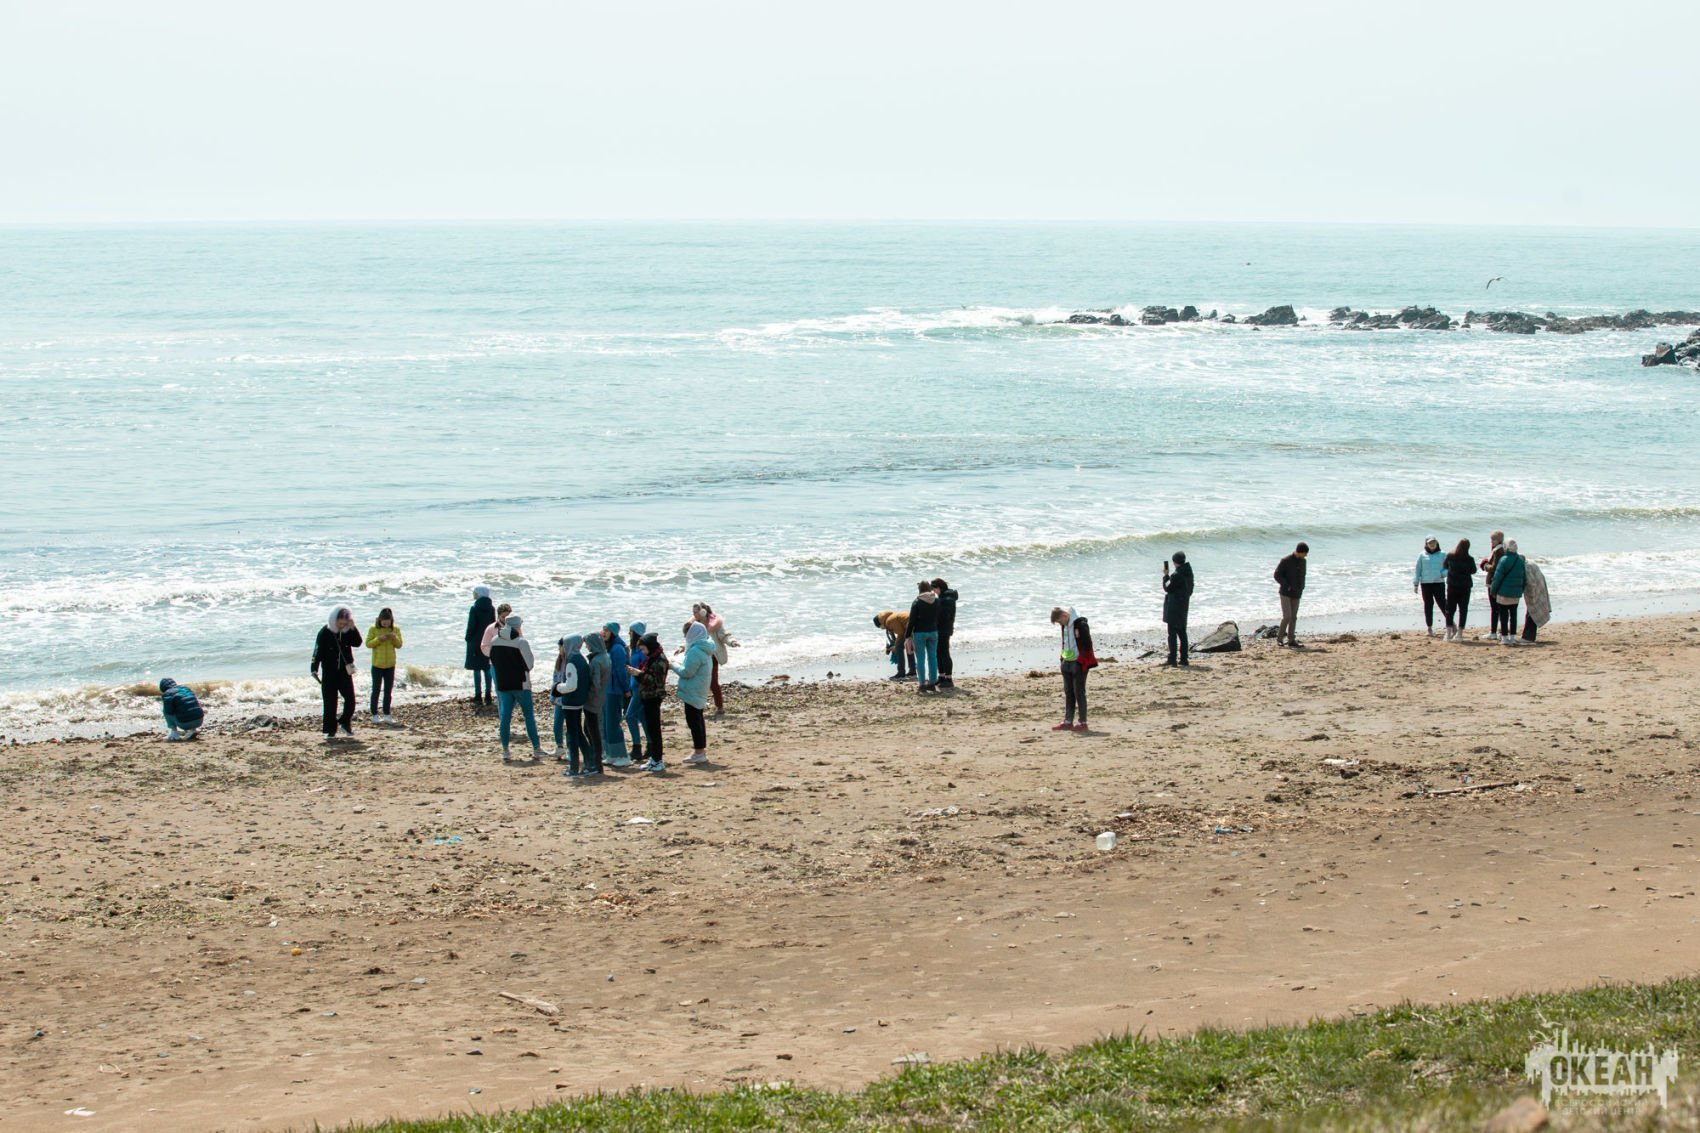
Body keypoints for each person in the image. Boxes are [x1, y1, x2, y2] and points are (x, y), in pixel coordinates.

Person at [489, 615, 543, 761]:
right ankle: (536, 748)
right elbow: (529, 664)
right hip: (521, 684)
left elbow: (492, 660)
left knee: (505, 717)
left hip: (503, 684)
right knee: (528, 716)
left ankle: (505, 750)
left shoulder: (495, 640)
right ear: (518, 626)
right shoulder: (521, 642)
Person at [311, 606, 363, 742]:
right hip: (329, 672)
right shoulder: (325, 631)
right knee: (330, 702)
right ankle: (330, 730)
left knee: (351, 700)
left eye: (344, 623)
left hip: (344, 672)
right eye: (340, 623)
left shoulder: (348, 631)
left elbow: (358, 643)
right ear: (334, 619)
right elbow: (317, 650)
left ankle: (345, 722)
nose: (342, 625)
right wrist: (314, 668)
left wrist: (353, 628)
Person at [671, 621, 717, 768]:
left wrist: (672, 664)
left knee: (694, 721)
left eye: (686, 634)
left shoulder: (695, 650)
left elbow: (686, 672)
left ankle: (699, 752)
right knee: (698, 720)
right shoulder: (705, 646)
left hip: (693, 690)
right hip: (700, 688)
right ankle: (700, 751)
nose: (685, 637)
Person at [551, 635, 591, 774]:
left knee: (573, 735)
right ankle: (590, 763)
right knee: (578, 733)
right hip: (579, 700)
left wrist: (557, 687)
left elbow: (571, 685)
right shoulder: (581, 659)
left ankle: (574, 767)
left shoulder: (571, 662)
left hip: (571, 702)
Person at [1050, 607, 1090, 731]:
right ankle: (1068, 721)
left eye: (1059, 621)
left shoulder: (1081, 624)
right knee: (1069, 692)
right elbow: (1065, 641)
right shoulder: (1065, 625)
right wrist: (1062, 658)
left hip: (1078, 663)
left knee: (1079, 692)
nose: (1060, 624)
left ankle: (1083, 722)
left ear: (1064, 615)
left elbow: (1088, 644)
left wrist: (1081, 660)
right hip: (1066, 661)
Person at [636, 631, 671, 767]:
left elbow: (656, 681)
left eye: (644, 649)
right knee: (651, 729)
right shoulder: (652, 657)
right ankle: (654, 758)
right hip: (648, 697)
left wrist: (638, 674)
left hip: (654, 697)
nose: (643, 652)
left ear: (650, 646)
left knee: (654, 730)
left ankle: (657, 760)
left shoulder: (660, 659)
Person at [600, 622, 631, 766]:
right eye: (603, 630)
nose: (604, 633)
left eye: (607, 630)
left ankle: (622, 756)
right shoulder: (609, 647)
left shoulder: (617, 648)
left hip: (615, 691)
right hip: (607, 690)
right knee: (607, 724)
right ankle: (611, 754)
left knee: (613, 723)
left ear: (613, 632)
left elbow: (621, 671)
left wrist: (626, 689)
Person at [580, 630, 610, 777]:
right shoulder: (606, 657)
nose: (587, 647)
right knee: (590, 728)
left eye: (587, 644)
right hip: (601, 697)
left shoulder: (596, 661)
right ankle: (596, 760)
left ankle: (596, 762)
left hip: (593, 699)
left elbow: (595, 683)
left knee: (591, 730)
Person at [693, 603, 733, 714]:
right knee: (699, 681)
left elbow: (724, 636)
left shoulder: (715, 623)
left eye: (696, 612)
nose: (694, 614)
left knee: (713, 682)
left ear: (703, 612)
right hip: (699, 656)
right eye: (693, 612)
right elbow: (690, 639)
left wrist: (732, 642)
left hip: (712, 656)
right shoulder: (695, 626)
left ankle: (720, 706)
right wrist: (682, 648)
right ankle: (699, 705)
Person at [366, 608, 403, 724]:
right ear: (380, 620)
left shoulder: (395, 629)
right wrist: (378, 639)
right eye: (383, 622)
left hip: (390, 664)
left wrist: (394, 638)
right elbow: (368, 643)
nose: (385, 624)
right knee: (376, 690)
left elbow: (399, 645)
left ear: (391, 620)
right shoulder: (373, 629)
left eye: (387, 622)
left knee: (388, 690)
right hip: (377, 664)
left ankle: (387, 714)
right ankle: (374, 714)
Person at [1489, 539, 1527, 647]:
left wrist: (1493, 590)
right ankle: (1513, 637)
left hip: (1503, 593)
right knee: (1513, 615)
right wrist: (1520, 590)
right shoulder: (1520, 560)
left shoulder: (1503, 560)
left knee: (1504, 616)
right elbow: (1524, 578)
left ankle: (1504, 637)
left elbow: (1497, 577)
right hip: (1515, 594)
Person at [464, 586, 497, 705]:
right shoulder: (491, 608)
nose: (473, 594)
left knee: (476, 669)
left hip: (475, 641)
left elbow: (471, 625)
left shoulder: (474, 608)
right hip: (488, 640)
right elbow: (493, 624)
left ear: (479, 594)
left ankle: (478, 695)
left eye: (475, 592)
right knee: (487, 667)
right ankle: (488, 695)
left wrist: (468, 638)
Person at [1273, 542, 1309, 648]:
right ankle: (1279, 639)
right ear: (1300, 552)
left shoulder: (1303, 561)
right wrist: (1286, 585)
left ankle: (1291, 640)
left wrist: (1302, 587)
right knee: (1287, 616)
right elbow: (1277, 575)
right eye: (1305, 553)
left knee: (1294, 617)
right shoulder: (1286, 560)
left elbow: (1303, 576)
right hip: (1285, 592)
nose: (1306, 555)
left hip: (1297, 592)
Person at [908, 581, 942, 693]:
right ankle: (932, 683)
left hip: (919, 633)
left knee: (920, 659)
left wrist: (907, 635)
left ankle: (922, 684)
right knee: (933, 657)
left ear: (920, 589)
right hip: (933, 632)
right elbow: (939, 616)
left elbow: (912, 620)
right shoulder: (936, 600)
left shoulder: (917, 601)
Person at [623, 623, 649, 761]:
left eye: (630, 632)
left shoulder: (642, 651)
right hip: (634, 687)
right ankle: (649, 745)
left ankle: (637, 746)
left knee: (629, 716)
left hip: (640, 688)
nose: (629, 634)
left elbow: (644, 669)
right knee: (642, 717)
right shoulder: (634, 649)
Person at [1163, 552, 1194, 666]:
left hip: (1174, 606)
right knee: (1182, 633)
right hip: (1184, 605)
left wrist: (1166, 575)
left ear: (1174, 562)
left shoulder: (1176, 575)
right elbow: (1190, 589)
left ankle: (1172, 659)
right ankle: (1184, 659)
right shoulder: (1189, 573)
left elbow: (1167, 587)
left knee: (1172, 634)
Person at [1413, 537, 1448, 637]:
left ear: (1437, 543)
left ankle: (1450, 624)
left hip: (1438, 583)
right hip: (1426, 584)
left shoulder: (1442, 554)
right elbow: (1418, 570)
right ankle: (1429, 628)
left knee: (1443, 603)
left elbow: (1447, 567)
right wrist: (1416, 583)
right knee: (1428, 605)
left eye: (1434, 543)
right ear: (1426, 544)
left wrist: (1443, 574)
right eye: (1430, 543)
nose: (1432, 545)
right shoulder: (1422, 555)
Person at [1443, 538, 1476, 642]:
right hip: (1465, 586)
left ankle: (1448, 633)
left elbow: (1444, 566)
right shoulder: (1469, 559)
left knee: (1450, 609)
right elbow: (1473, 570)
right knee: (1463, 609)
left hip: (1452, 585)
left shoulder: (1450, 556)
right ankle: (1460, 634)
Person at [1479, 532, 1508, 641]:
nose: (1491, 542)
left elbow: (1495, 568)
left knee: (1495, 608)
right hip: (1498, 582)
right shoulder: (1502, 550)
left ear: (1498, 540)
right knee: (1499, 608)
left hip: (1493, 582)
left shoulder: (1498, 551)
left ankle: (1493, 632)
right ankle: (1499, 631)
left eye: (1493, 540)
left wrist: (1485, 565)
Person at [929, 578, 958, 688]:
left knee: (944, 653)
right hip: (944, 628)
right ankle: (941, 676)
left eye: (933, 589)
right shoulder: (945, 597)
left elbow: (944, 616)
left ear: (938, 588)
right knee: (939, 653)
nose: (933, 592)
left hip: (944, 629)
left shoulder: (946, 599)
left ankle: (949, 679)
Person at [873, 609, 911, 680]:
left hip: (910, 627)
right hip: (913, 626)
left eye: (880, 627)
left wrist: (895, 646)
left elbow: (901, 633)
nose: (881, 629)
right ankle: (912, 670)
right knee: (908, 646)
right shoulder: (891, 618)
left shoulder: (889, 621)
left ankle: (901, 672)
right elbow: (901, 632)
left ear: (881, 623)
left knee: (899, 648)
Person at [1521, 555, 1551, 643]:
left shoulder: (1526, 567)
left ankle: (1528, 638)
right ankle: (1528, 636)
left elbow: (1530, 583)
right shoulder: (1529, 563)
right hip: (1540, 585)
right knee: (1532, 612)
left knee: (1532, 612)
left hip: (1536, 589)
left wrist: (1531, 596)